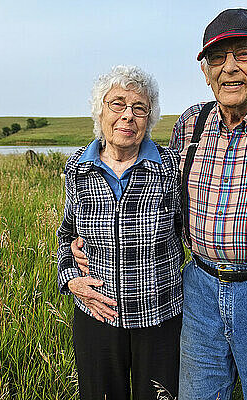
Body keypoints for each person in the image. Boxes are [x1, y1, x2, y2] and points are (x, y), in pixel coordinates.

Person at [73, 9, 247, 400]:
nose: (229, 69)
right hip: (199, 294)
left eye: (243, 54)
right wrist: (83, 247)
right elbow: (158, 210)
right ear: (205, 72)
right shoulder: (191, 124)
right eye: (216, 59)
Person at [57, 65, 184, 400]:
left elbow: (188, 233)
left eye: (139, 108)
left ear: (149, 119)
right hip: (97, 315)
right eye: (118, 104)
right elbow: (66, 235)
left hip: (159, 316)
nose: (128, 116)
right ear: (101, 111)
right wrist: (71, 278)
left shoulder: (169, 167)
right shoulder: (78, 169)